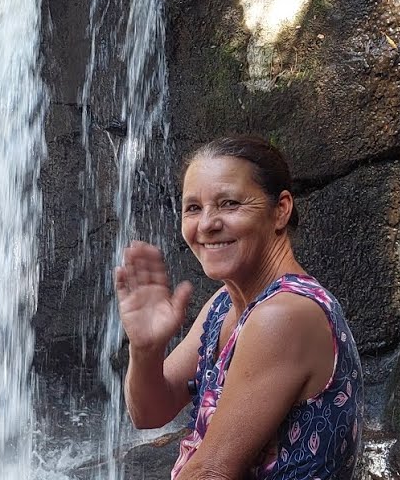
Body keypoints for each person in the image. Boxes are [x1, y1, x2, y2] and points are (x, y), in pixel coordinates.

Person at [114, 135, 362, 479]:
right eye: (193, 208)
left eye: (229, 204)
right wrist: (145, 349)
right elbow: (150, 412)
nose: (206, 224)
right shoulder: (222, 305)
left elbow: (213, 471)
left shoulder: (286, 314)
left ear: (280, 210)